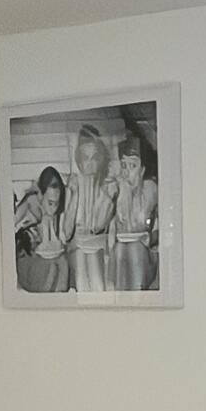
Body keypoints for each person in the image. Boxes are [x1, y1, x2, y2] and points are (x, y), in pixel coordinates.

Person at [66, 124, 119, 294]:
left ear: (101, 159)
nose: (89, 163)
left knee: (96, 279)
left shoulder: (107, 187)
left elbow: (97, 226)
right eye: (85, 158)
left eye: (94, 157)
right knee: (82, 274)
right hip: (77, 246)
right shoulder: (74, 184)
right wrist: (74, 196)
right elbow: (67, 233)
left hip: (97, 246)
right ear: (79, 160)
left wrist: (105, 197)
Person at [111, 127, 159, 291]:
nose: (127, 171)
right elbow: (121, 224)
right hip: (123, 250)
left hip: (146, 251)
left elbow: (139, 222)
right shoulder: (119, 189)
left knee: (134, 250)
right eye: (124, 165)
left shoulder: (150, 188)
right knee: (119, 250)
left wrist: (151, 238)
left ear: (142, 169)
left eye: (132, 165)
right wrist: (124, 190)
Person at [15, 165, 73, 293]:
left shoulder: (56, 212)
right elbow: (12, 223)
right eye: (50, 203)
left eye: (56, 203)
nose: (53, 209)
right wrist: (25, 226)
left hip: (48, 258)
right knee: (52, 268)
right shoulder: (31, 202)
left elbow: (62, 238)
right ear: (41, 195)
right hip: (30, 262)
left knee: (62, 263)